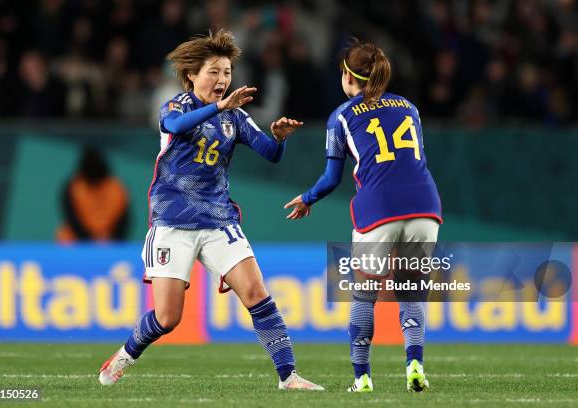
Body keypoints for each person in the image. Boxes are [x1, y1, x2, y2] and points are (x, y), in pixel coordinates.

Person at [98, 29, 323, 391]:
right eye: (214, 72)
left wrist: (279, 138)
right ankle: (123, 356)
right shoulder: (176, 106)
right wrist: (219, 106)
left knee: (256, 292)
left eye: (227, 72)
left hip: (218, 220)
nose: (222, 80)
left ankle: (289, 377)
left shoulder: (235, 118)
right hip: (172, 222)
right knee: (168, 317)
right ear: (192, 75)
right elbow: (173, 126)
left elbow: (270, 154)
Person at [284, 38, 442, 393]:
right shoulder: (409, 107)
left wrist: (308, 198)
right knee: (413, 291)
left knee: (365, 295)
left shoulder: (341, 116)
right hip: (425, 207)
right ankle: (414, 363)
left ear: (347, 76)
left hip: (378, 209)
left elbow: (331, 178)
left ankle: (362, 378)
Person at [56, 147, 129, 242]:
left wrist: (110, 239)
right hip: (76, 241)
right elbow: (71, 218)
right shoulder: (74, 186)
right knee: (64, 234)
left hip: (108, 242)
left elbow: (123, 220)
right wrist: (89, 240)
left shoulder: (115, 188)